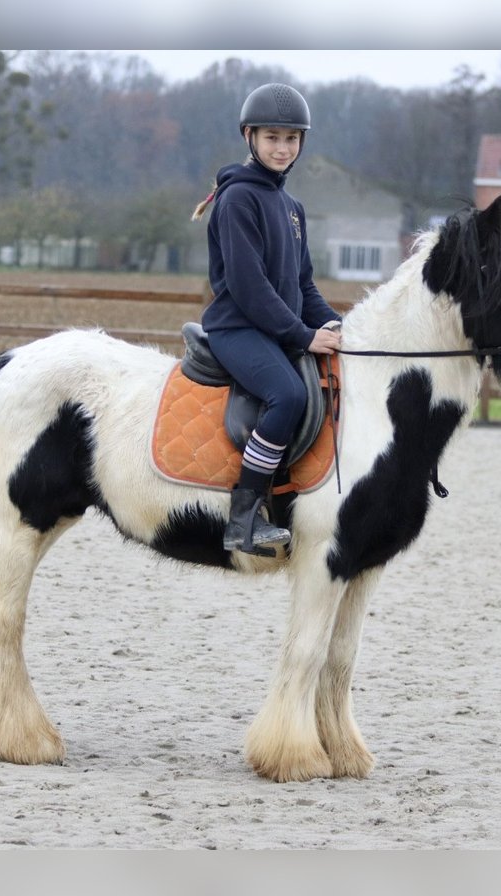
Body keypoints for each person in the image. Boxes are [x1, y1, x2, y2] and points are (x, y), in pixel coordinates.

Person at [192, 82, 343, 556]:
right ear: (249, 137)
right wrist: (301, 335)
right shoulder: (237, 200)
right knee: (288, 394)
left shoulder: (292, 208)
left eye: (292, 138)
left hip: (272, 329)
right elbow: (248, 286)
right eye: (272, 137)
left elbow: (303, 286)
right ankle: (243, 517)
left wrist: (341, 328)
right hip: (237, 328)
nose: (282, 147)